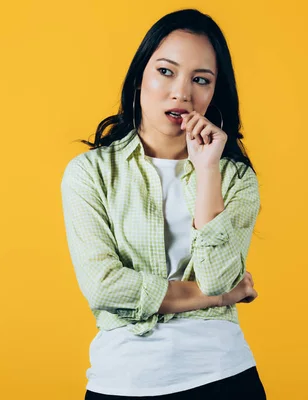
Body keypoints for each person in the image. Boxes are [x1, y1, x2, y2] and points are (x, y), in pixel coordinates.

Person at [61, 8, 267, 399]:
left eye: (200, 80)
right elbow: (104, 288)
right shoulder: (91, 173)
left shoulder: (235, 179)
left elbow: (219, 276)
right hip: (121, 381)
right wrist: (218, 298)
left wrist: (207, 170)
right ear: (140, 75)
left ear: (213, 93)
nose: (182, 93)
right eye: (166, 71)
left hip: (222, 376)